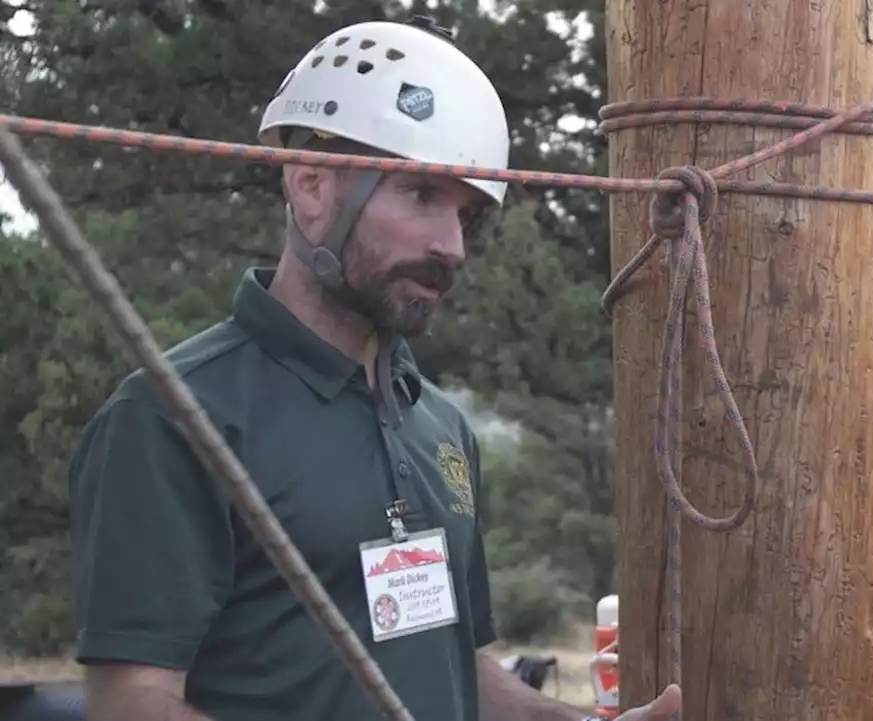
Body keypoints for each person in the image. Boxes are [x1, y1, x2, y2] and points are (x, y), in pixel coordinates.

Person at [67, 16, 680, 721]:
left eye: (469, 216)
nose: (451, 245)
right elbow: (131, 703)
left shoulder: (440, 427)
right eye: (423, 196)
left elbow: (459, 674)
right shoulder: (174, 415)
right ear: (312, 187)